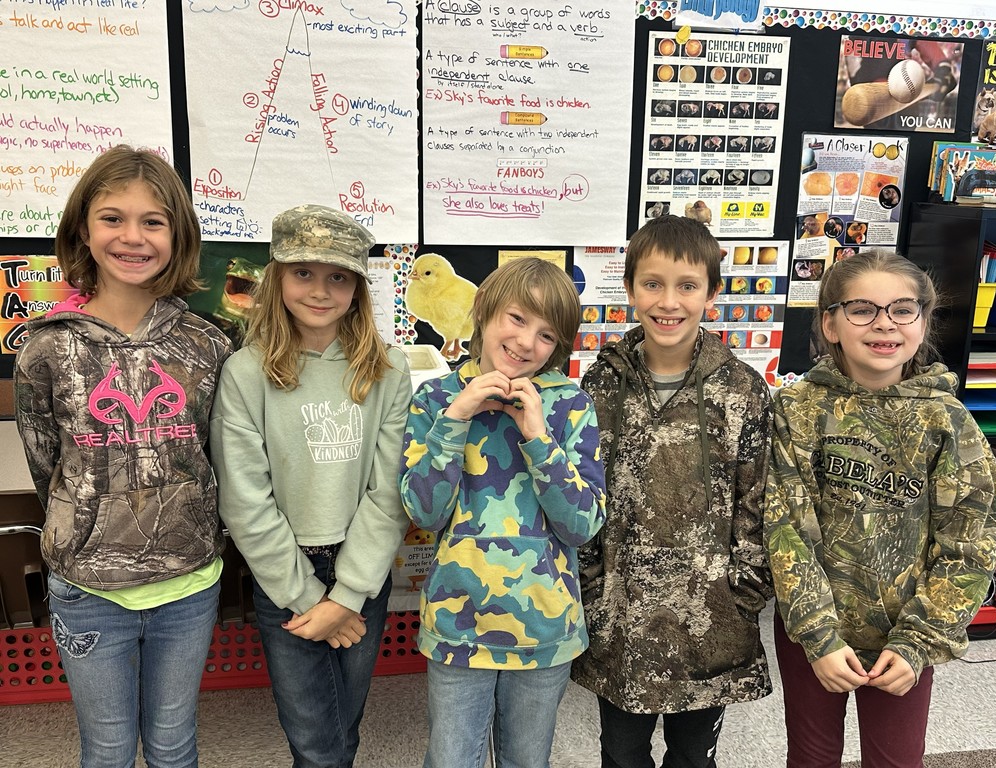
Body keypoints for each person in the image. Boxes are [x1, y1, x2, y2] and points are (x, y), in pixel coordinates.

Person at [14, 144, 233, 768]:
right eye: (113, 218)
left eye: (153, 221)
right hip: (88, 586)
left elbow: (219, 455)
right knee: (106, 749)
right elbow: (47, 465)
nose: (132, 237)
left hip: (187, 580)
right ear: (84, 226)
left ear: (178, 234)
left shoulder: (207, 344)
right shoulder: (48, 349)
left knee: (172, 744)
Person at [766, 249, 996, 768]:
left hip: (906, 637)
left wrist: (921, 639)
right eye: (862, 310)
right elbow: (785, 529)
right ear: (830, 322)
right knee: (810, 758)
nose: (884, 324)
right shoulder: (797, 411)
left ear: (922, 321)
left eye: (902, 309)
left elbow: (971, 540)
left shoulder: (948, 422)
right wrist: (818, 636)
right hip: (815, 635)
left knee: (896, 760)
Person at [210, 204, 412, 768]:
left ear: (357, 288)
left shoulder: (387, 371)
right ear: (276, 277)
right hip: (284, 574)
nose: (320, 290)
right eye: (303, 273)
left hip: (362, 567)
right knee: (313, 736)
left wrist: (346, 595)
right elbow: (245, 497)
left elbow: (389, 489)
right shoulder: (246, 373)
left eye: (338, 276)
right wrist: (307, 597)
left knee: (345, 725)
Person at [571, 215, 774, 768]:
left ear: (712, 291)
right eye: (652, 284)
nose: (669, 301)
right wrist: (591, 584)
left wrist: (744, 593)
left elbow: (757, 500)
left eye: (687, 285)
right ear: (631, 287)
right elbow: (582, 487)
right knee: (621, 752)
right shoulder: (601, 382)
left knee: (693, 757)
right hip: (621, 614)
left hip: (709, 619)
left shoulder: (741, 389)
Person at [399, 257, 606, 768]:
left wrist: (537, 436)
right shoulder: (435, 398)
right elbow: (423, 511)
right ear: (485, 310)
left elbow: (582, 525)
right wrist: (455, 418)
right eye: (517, 318)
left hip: (544, 625)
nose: (525, 342)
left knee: (525, 759)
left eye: (547, 335)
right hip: (457, 623)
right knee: (452, 758)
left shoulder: (571, 405)